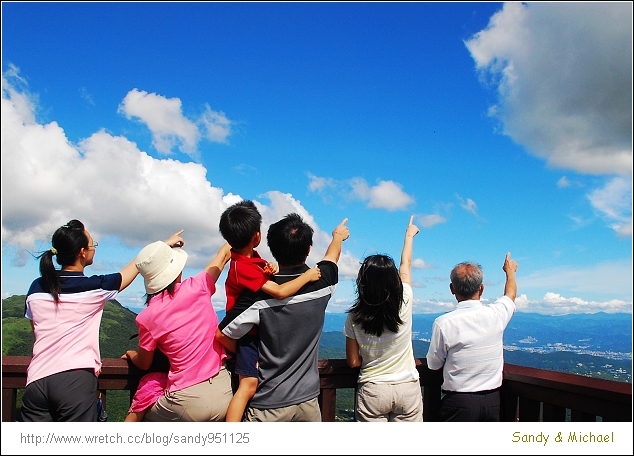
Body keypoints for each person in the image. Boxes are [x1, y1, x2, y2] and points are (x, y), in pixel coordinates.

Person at [20, 219, 176, 422]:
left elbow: (38, 332)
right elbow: (135, 267)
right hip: (74, 380)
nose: (94, 248)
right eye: (92, 244)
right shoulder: (93, 288)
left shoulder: (36, 287)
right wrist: (164, 246)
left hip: (36, 381)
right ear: (82, 252)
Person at [217, 214, 349, 421]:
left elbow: (222, 334)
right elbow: (332, 257)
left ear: (273, 248)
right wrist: (337, 237)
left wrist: (245, 357)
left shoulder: (257, 295)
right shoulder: (324, 283)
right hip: (309, 402)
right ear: (308, 250)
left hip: (268, 404)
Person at [122, 233, 234, 421]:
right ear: (177, 271)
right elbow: (223, 256)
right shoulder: (198, 286)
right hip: (225, 393)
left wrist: (129, 354)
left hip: (186, 402)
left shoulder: (147, 317)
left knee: (143, 404)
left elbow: (144, 363)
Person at [344, 215, 423, 422]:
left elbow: (353, 362)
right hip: (407, 387)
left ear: (363, 282)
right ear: (393, 280)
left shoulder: (355, 316)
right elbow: (406, 264)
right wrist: (409, 236)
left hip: (373, 389)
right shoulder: (405, 298)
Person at [426, 252, 519, 421]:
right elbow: (510, 294)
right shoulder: (496, 314)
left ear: (452, 289)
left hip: (458, 404)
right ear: (481, 288)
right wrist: (510, 271)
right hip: (493, 402)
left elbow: (433, 365)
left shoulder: (444, 323)